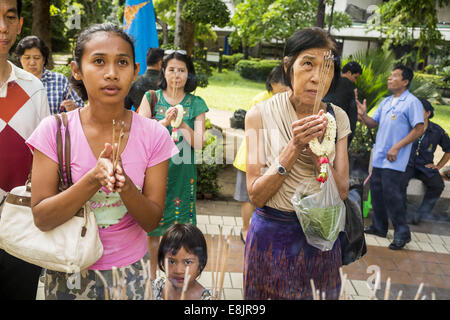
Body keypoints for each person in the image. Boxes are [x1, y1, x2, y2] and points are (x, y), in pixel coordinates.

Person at [25, 23, 178, 300]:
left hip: (130, 274)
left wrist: (126, 186)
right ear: (76, 70)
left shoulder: (154, 134)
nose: (111, 73)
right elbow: (42, 217)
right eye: (98, 61)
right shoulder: (53, 131)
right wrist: (94, 178)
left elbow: (152, 220)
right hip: (68, 270)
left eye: (122, 62)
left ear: (135, 70)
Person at [244, 28, 350, 300]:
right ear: (287, 65)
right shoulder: (259, 115)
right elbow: (256, 195)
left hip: (320, 234)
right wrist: (294, 147)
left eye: (326, 67)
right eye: (307, 64)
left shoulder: (337, 118)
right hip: (273, 235)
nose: (317, 77)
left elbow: (341, 192)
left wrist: (319, 159)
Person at [138, 51, 208, 280]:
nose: (176, 75)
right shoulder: (151, 98)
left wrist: (184, 123)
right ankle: (151, 279)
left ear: (188, 74)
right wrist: (165, 122)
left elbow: (199, 143)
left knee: (181, 231)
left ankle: (175, 278)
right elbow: (141, 136)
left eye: (182, 70)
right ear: (163, 72)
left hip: (183, 172)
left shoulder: (196, 103)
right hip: (155, 172)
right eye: (171, 69)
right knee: (153, 229)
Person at [0, 0, 50, 300]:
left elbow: (45, 160)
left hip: (20, 227)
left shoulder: (33, 88)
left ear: (19, 24)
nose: (2, 27)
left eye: (9, 17)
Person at [356, 65, 424, 250]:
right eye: (390, 75)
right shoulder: (386, 102)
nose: (389, 79)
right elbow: (372, 123)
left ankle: (402, 233)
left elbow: (419, 128)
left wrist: (397, 147)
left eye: (394, 76)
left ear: (405, 81)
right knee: (377, 192)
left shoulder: (412, 102)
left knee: (393, 196)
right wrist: (363, 116)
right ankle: (379, 227)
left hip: (396, 159)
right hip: (380, 157)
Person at [233, 65, 289, 244]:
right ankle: (245, 228)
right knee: (248, 197)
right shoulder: (260, 101)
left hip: (273, 160)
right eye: (282, 86)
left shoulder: (287, 102)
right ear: (272, 84)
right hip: (251, 157)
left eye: (288, 87)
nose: (285, 90)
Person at [404, 98, 450, 224]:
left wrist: (439, 166)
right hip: (406, 164)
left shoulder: (436, 131)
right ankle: (400, 212)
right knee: (398, 181)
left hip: (425, 166)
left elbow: (448, 149)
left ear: (428, 113)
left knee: (437, 185)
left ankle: (421, 214)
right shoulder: (407, 126)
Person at [15, 35, 84, 114]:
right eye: (27, 58)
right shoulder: (13, 81)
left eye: (37, 58)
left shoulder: (59, 80)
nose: (32, 63)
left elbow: (81, 107)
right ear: (20, 59)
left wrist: (74, 108)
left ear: (44, 59)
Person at [152, 223, 211, 300]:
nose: (179, 271)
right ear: (162, 261)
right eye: (172, 262)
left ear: (201, 263)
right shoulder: (156, 287)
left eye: (188, 262)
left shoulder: (206, 298)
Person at [323, 61, 362, 146]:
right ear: (348, 73)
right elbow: (351, 113)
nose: (355, 81)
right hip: (339, 132)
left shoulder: (330, 81)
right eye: (355, 77)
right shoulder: (350, 87)